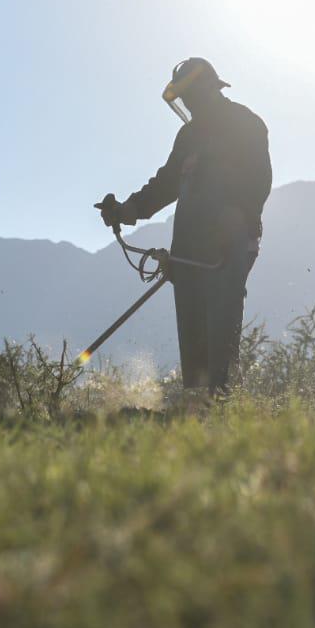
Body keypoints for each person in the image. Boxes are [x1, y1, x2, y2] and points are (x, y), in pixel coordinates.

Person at [97, 58, 272, 393]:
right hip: (189, 249)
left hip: (226, 247)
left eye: (191, 96)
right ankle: (194, 417)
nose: (188, 105)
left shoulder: (245, 124)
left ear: (208, 89)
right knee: (192, 342)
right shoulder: (189, 135)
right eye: (183, 99)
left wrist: (234, 216)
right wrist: (126, 210)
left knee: (220, 339)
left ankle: (222, 415)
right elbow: (166, 184)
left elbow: (259, 182)